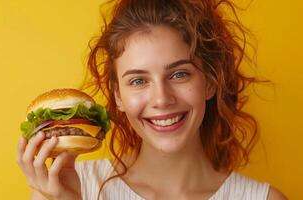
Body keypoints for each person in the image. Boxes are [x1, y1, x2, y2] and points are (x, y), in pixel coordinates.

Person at [17, 0, 287, 199]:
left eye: (179, 74)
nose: (161, 98)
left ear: (210, 83)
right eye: (138, 81)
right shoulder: (68, 186)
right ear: (117, 96)